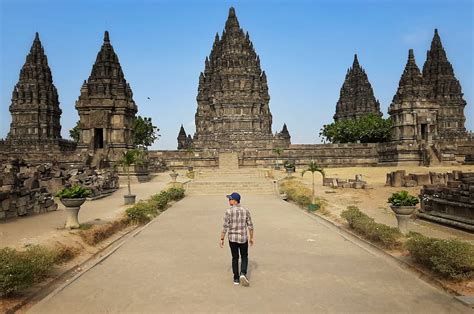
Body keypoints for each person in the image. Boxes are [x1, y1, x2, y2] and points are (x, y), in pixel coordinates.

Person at [220, 192, 254, 286]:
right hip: (243, 237)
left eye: (230, 199)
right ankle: (243, 273)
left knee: (235, 257)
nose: (229, 200)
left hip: (232, 238)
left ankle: (236, 278)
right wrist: (251, 237)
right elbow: (250, 225)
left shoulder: (228, 211)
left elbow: (225, 226)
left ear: (235, 201)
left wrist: (222, 238)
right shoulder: (245, 210)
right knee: (244, 256)